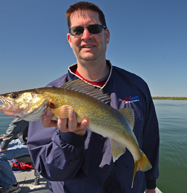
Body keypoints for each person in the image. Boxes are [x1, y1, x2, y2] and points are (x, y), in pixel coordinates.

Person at [27, 2, 159, 193]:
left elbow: (150, 139)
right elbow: (50, 170)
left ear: (106, 35)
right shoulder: (51, 94)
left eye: (94, 28)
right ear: (69, 39)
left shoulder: (137, 85)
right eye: (77, 30)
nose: (86, 36)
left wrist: (151, 184)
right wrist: (69, 138)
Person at [0, 118, 29, 193]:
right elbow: (15, 134)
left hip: (33, 145)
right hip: (24, 140)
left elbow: (13, 129)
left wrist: (3, 146)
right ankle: (0, 178)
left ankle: (13, 186)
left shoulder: (25, 114)